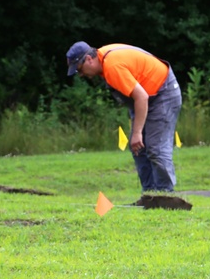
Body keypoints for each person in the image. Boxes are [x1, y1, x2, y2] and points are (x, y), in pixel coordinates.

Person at [66, 41, 183, 199]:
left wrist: (137, 132)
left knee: (156, 148)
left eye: (80, 69)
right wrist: (137, 136)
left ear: (88, 59)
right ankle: (149, 196)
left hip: (163, 94)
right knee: (138, 148)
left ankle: (166, 198)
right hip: (147, 98)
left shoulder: (112, 66)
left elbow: (141, 97)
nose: (81, 75)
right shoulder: (103, 59)